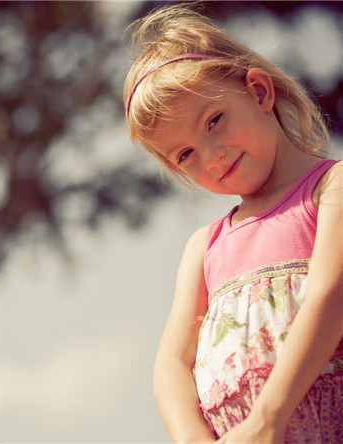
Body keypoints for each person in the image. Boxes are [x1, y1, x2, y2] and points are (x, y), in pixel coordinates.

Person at [123, 5, 343, 444]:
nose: (211, 155)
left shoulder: (332, 187)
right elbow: (171, 362)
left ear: (259, 92)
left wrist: (268, 418)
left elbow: (330, 296)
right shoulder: (204, 247)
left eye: (214, 121)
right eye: (184, 155)